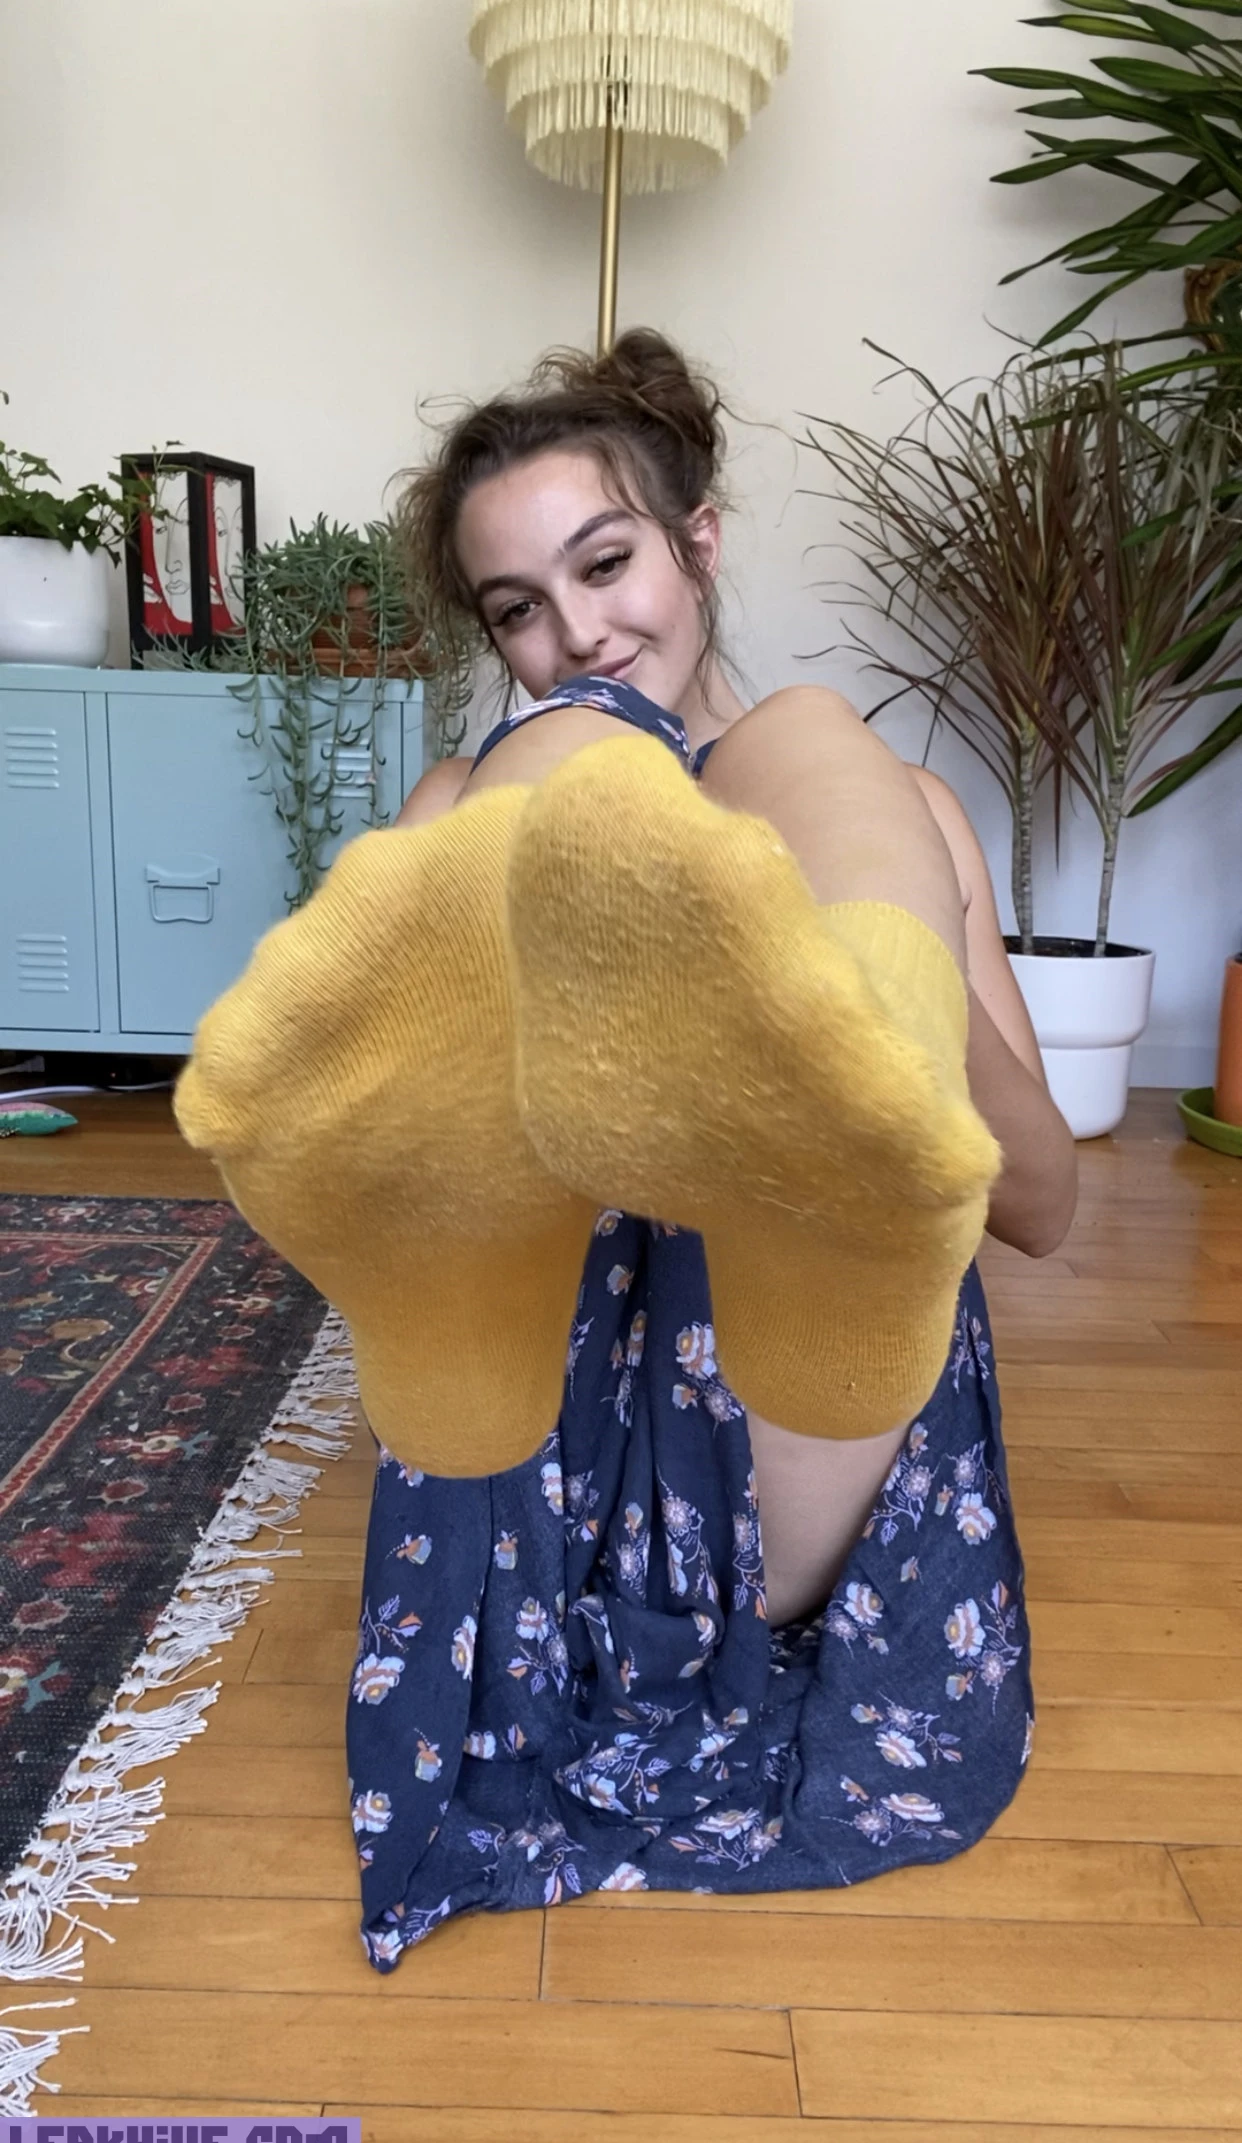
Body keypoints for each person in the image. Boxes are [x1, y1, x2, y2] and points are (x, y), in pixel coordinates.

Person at [176, 330, 1076, 1968]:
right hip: (570, 1456)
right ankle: (465, 1272)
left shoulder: (902, 808)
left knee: (803, 743)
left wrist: (861, 1002)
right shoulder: (475, 789)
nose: (576, 633)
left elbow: (1043, 1204)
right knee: (568, 771)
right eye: (516, 609)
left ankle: (839, 1131)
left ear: (698, 539)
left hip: (799, 1425)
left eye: (605, 565)